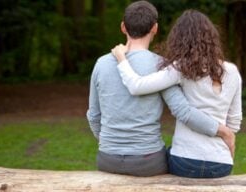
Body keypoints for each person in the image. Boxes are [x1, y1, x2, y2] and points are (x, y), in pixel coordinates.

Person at [87, 1, 235, 177]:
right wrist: (222, 130)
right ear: (155, 28)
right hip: (147, 161)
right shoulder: (160, 66)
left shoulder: (101, 64)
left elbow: (93, 115)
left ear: (123, 27)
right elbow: (183, 111)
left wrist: (111, 146)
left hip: (107, 159)